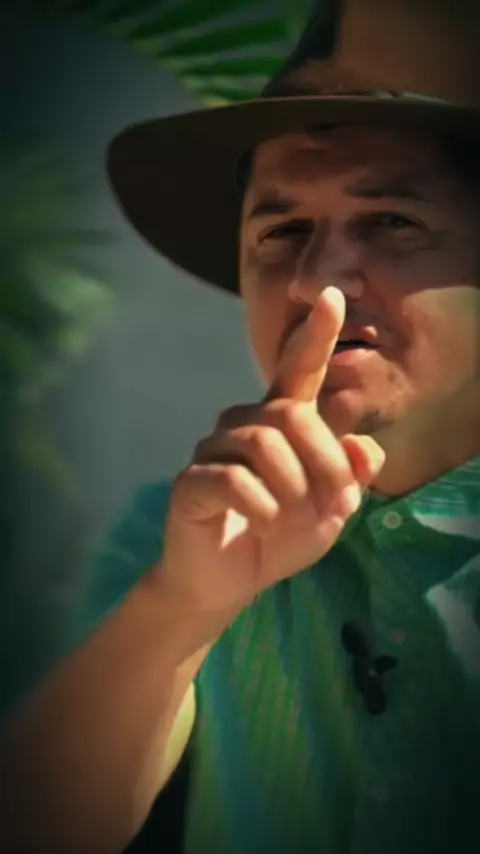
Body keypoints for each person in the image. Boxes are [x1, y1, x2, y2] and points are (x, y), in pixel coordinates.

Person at [1, 1, 480, 853]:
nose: (314, 282)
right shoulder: (182, 529)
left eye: (393, 222)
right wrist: (183, 604)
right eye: (282, 230)